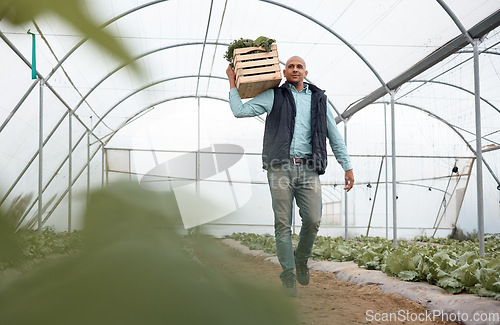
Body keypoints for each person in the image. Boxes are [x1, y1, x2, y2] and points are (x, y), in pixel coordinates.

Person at [226, 56, 354, 296]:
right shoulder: (274, 95)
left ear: (306, 72)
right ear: (284, 72)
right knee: (282, 224)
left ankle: (301, 259)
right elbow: (239, 110)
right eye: (291, 67)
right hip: (280, 167)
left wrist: (347, 166)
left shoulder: (319, 100)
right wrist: (232, 82)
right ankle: (288, 274)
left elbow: (334, 136)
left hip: (309, 168)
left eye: (299, 67)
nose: (295, 70)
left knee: (313, 220)